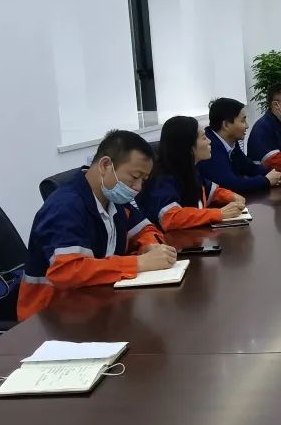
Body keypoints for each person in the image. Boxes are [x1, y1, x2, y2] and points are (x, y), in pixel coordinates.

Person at [18, 130, 176, 321]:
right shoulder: (65, 207)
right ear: (105, 165)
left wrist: (151, 246)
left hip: (95, 304)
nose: (138, 187)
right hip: (49, 317)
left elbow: (145, 229)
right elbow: (67, 271)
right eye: (135, 176)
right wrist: (139, 263)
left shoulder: (113, 199)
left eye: (143, 180)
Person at [138, 116, 248, 231]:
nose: (209, 141)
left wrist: (232, 197)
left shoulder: (188, 170)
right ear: (188, 146)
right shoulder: (162, 180)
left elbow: (211, 190)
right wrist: (219, 213)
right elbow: (171, 217)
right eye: (204, 138)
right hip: (170, 241)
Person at [198, 97, 281, 195]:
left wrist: (274, 173)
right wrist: (266, 180)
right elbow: (232, 185)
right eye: (243, 121)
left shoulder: (231, 141)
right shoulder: (210, 147)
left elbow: (249, 167)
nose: (247, 126)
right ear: (226, 125)